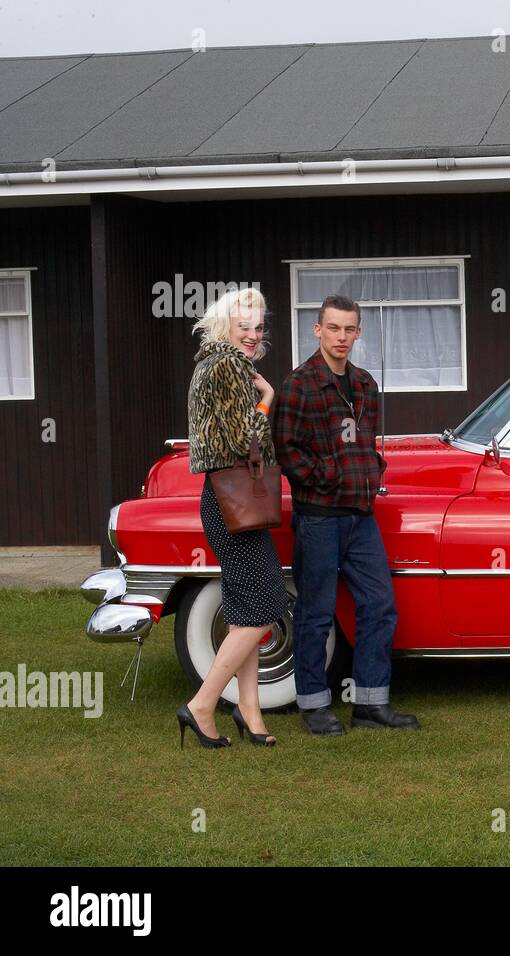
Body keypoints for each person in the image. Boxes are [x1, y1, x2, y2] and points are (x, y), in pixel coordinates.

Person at [272, 293, 419, 735]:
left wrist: (371, 472)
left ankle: (372, 704)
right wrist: (325, 480)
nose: (341, 337)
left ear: (358, 332)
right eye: (333, 328)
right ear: (317, 330)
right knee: (315, 613)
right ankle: (314, 706)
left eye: (349, 329)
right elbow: (286, 450)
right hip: (318, 517)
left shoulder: (366, 386)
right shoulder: (298, 386)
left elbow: (367, 443)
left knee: (379, 605)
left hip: (360, 516)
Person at [179, 287, 288, 748]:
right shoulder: (227, 366)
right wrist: (268, 399)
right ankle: (203, 704)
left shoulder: (215, 363)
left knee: (246, 606)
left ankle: (250, 710)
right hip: (233, 501)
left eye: (259, 327)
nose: (253, 334)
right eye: (244, 325)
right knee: (265, 606)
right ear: (226, 325)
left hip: (226, 500)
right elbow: (247, 440)